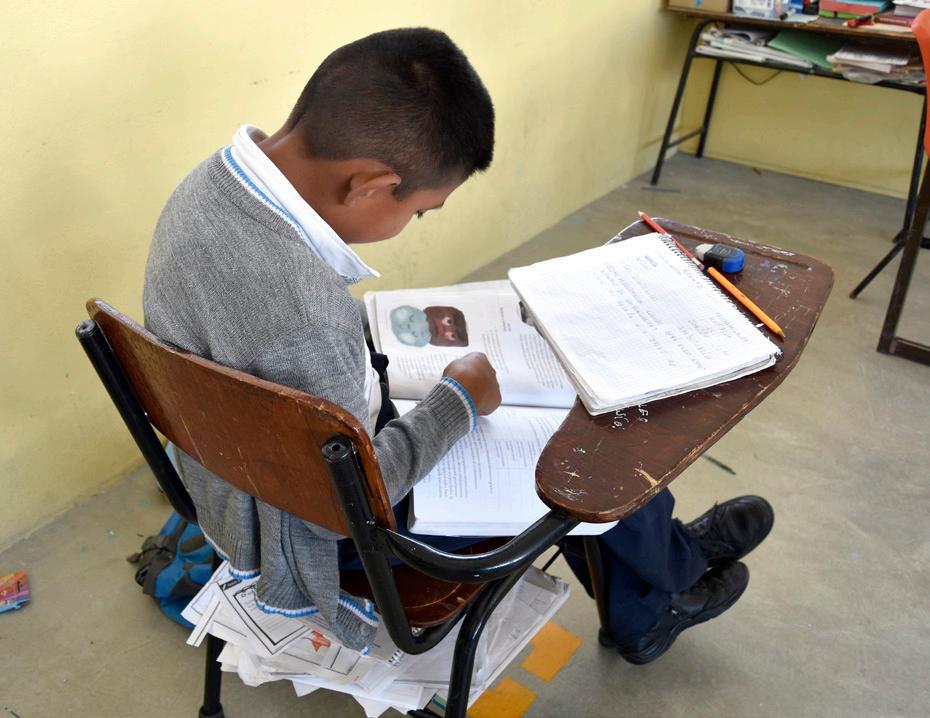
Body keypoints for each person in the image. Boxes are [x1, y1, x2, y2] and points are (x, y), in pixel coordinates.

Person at [144, 27, 774, 664]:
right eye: (421, 210)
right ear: (369, 184)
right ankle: (665, 588)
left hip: (233, 466)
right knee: (595, 446)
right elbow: (343, 504)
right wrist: (457, 403)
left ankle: (663, 574)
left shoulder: (214, 182)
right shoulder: (305, 313)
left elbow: (271, 339)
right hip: (320, 527)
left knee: (569, 420)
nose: (415, 221)